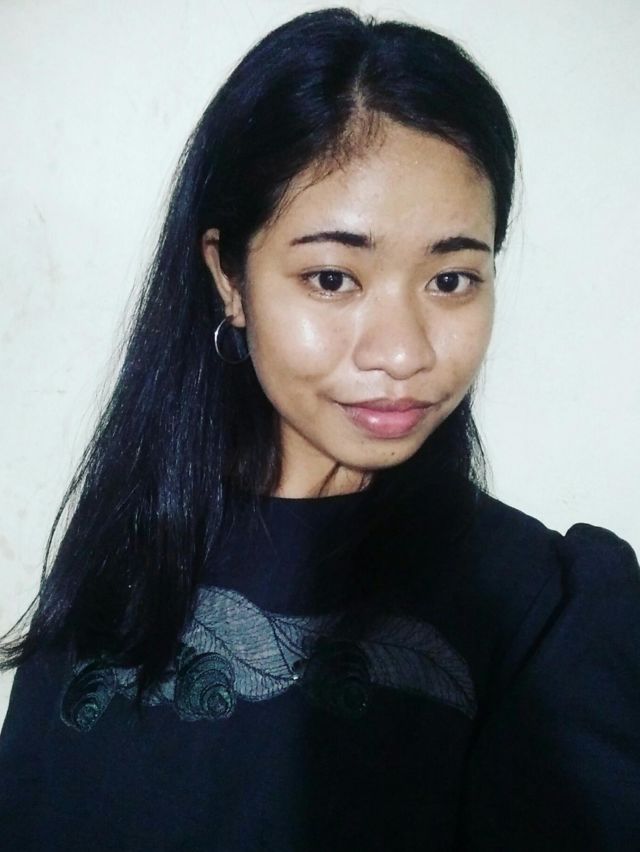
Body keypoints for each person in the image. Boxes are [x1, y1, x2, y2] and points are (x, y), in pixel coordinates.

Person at [1, 7, 638, 850]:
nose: (403, 352)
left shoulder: (545, 612)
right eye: (333, 278)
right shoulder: (124, 557)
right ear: (230, 278)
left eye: (451, 279)